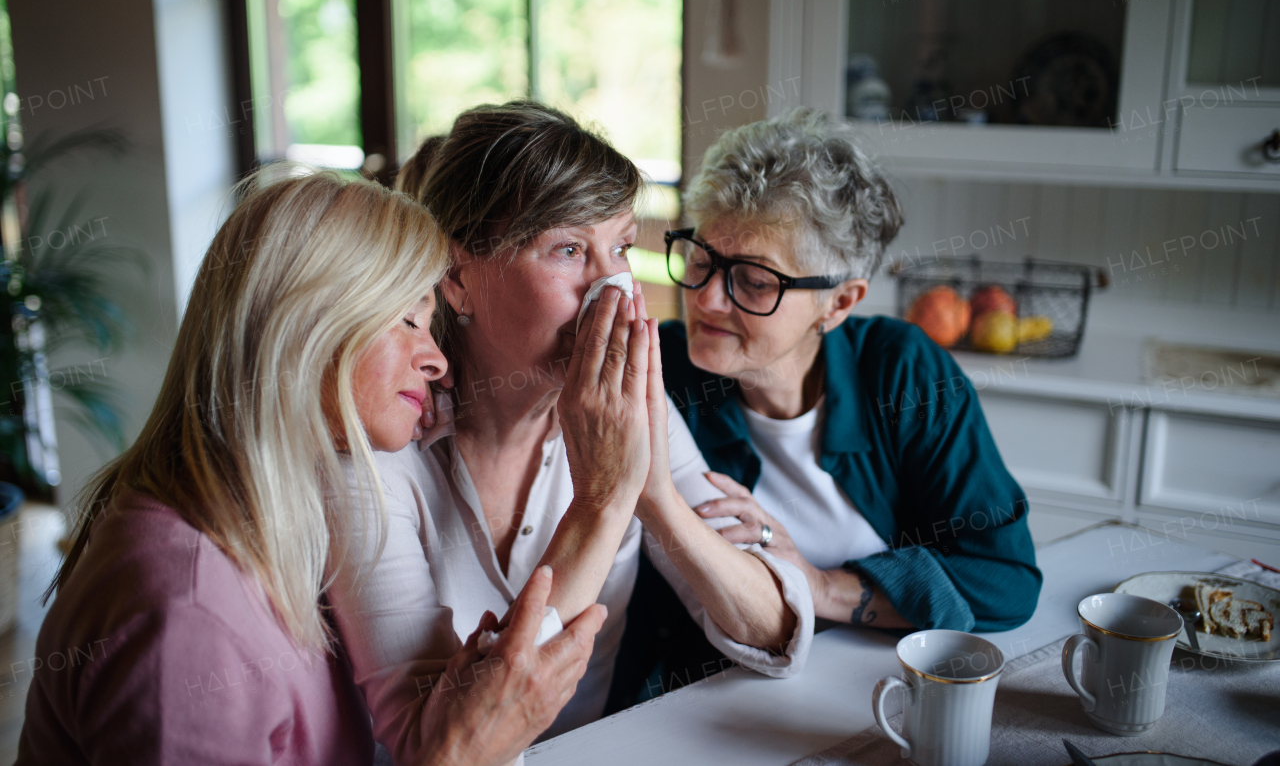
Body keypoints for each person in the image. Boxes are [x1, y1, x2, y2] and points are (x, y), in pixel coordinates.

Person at [17, 171, 605, 766]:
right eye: (406, 321)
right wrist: (463, 752)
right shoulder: (186, 614)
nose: (436, 361)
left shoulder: (273, 526)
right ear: (303, 329)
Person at [327, 102, 814, 763]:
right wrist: (602, 502)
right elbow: (435, 744)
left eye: (619, 247)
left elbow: (778, 631)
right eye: (567, 249)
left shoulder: (626, 408)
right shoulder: (376, 446)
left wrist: (660, 502)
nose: (611, 286)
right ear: (458, 278)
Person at [616, 108, 1041, 697]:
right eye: (702, 259)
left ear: (839, 303)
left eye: (755, 281)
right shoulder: (656, 372)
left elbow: (1007, 578)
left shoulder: (903, 371)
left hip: (880, 693)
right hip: (712, 705)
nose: (708, 299)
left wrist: (820, 588)